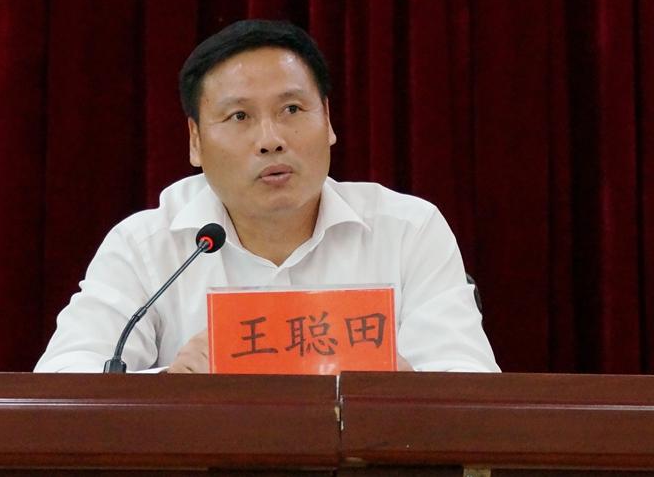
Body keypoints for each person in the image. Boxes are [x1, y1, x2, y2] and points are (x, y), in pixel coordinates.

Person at [35, 20, 499, 374]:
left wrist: (404, 386)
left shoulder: (408, 231)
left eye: (292, 109)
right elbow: (64, 382)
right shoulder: (146, 245)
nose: (270, 140)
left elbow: (470, 386)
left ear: (328, 120)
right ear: (195, 140)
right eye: (239, 117)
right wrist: (170, 386)